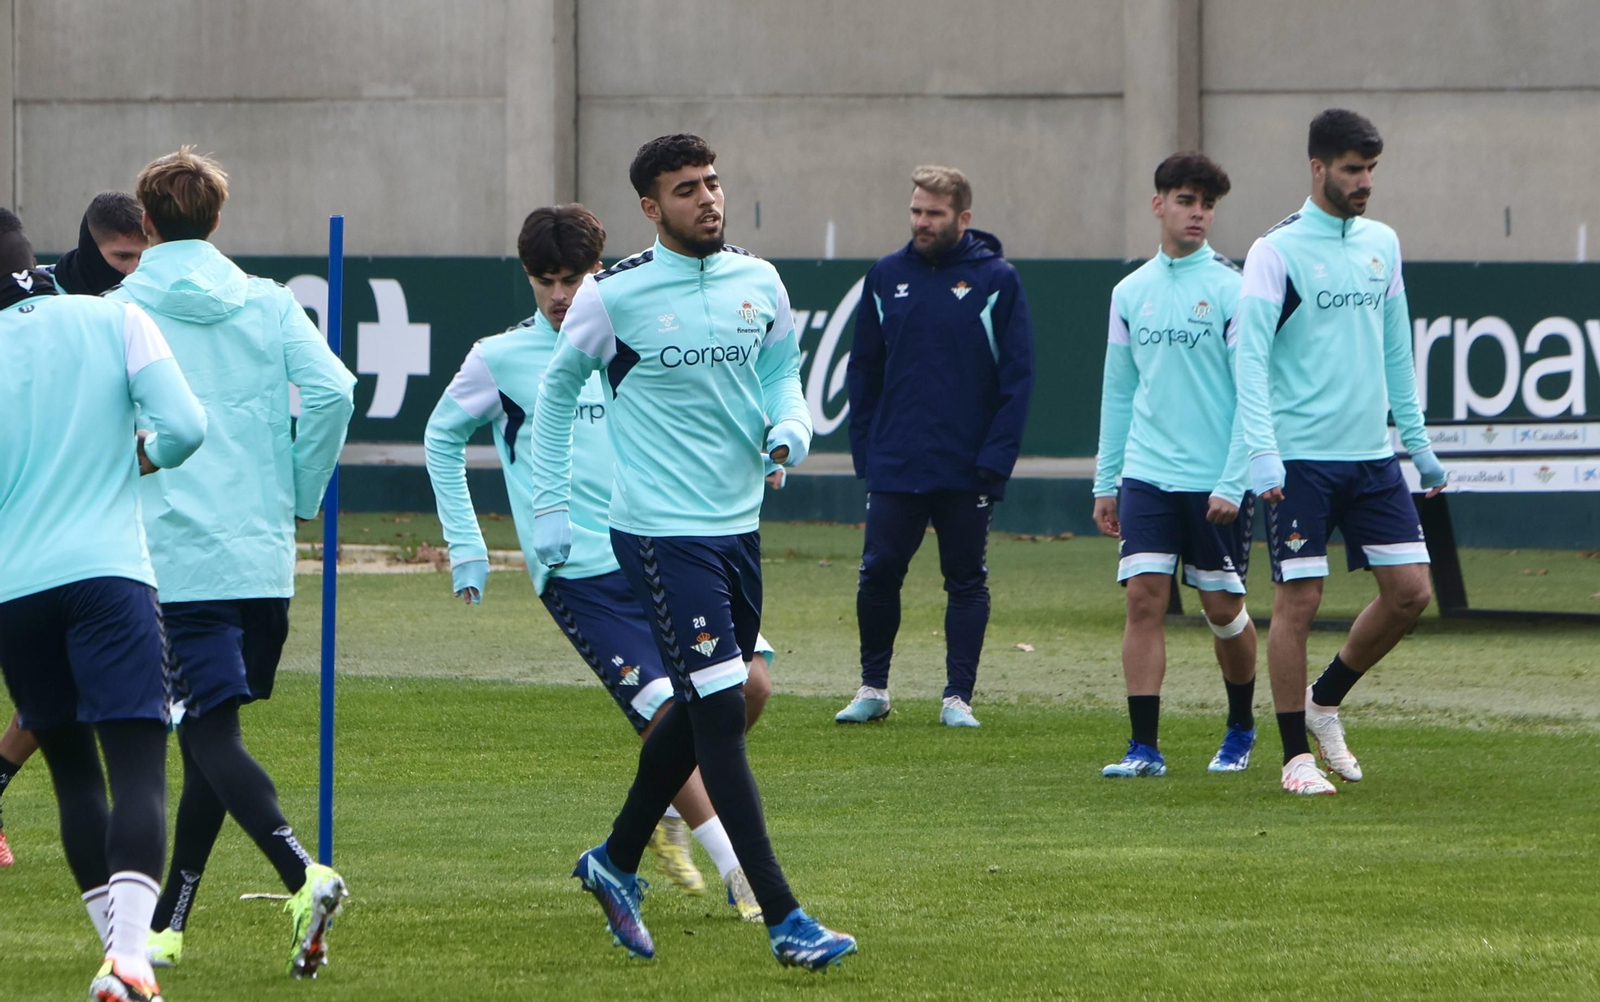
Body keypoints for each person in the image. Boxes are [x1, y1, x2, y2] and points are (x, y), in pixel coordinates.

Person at [529, 133, 856, 969]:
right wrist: (554, 506)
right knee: (719, 714)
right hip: (658, 531)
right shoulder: (614, 296)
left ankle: (614, 858)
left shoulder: (761, 280)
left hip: (737, 526)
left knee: (718, 701)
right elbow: (557, 396)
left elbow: (783, 374)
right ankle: (786, 917)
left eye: (712, 184)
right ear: (650, 207)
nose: (707, 199)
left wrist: (789, 426)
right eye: (685, 190)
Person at [423, 202, 776, 920]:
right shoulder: (500, 358)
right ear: (527, 278)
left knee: (750, 690)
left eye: (575, 277)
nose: (560, 295)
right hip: (581, 575)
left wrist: (762, 443)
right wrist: (468, 545)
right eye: (544, 280)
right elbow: (440, 439)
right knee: (672, 708)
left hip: (667, 541)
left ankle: (654, 815)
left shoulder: (633, 324)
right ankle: (742, 873)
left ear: (600, 271)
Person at [105, 147, 358, 973]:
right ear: (216, 219)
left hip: (169, 559)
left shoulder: (118, 307)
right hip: (259, 558)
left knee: (207, 731)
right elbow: (333, 392)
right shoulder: (268, 301)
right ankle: (170, 923)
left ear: (145, 223)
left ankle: (302, 873)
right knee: (211, 732)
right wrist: (299, 491)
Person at [0, 205, 206, 1002]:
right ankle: (132, 959)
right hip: (110, 575)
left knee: (74, 782)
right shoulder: (113, 319)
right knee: (139, 773)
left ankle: (126, 969)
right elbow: (185, 428)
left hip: (14, 592)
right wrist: (139, 461)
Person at [1233, 110, 1446, 796]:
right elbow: (1249, 358)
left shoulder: (1383, 243)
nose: (1364, 183)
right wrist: (1261, 455)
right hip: (1299, 459)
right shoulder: (1277, 251)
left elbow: (1395, 353)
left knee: (1411, 593)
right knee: (1300, 597)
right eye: (1352, 169)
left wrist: (1417, 443)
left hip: (1371, 457)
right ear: (1317, 168)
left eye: (1371, 170)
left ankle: (1325, 703)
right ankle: (1295, 756)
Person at [838, 166, 1035, 728]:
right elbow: (864, 369)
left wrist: (995, 460)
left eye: (935, 213)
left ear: (963, 218)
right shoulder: (885, 275)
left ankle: (957, 699)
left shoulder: (997, 280)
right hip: (896, 461)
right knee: (877, 574)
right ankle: (873, 688)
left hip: (967, 465)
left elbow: (1017, 381)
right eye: (916, 211)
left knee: (966, 579)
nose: (922, 222)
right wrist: (866, 451)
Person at [1092, 153, 1258, 777]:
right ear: (1158, 203)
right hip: (1147, 474)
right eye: (1186, 201)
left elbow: (1253, 394)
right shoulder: (1130, 292)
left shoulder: (1234, 290)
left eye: (1207, 204)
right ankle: (1144, 748)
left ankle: (1241, 727)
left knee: (1220, 608)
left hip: (1214, 481)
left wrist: (1233, 479)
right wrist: (1107, 481)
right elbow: (1117, 391)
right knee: (1144, 600)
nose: (1198, 214)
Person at [0, 191, 150, 865]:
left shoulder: (135, 310)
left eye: (139, 256)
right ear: (91, 246)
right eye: (120, 257)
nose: (131, 270)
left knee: (62, 686)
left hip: (96, 531)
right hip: (41, 524)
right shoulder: (36, 300)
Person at [48, 190, 150, 295]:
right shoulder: (39, 292)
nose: (135, 269)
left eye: (143, 257)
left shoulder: (153, 295)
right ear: (92, 250)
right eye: (122, 256)